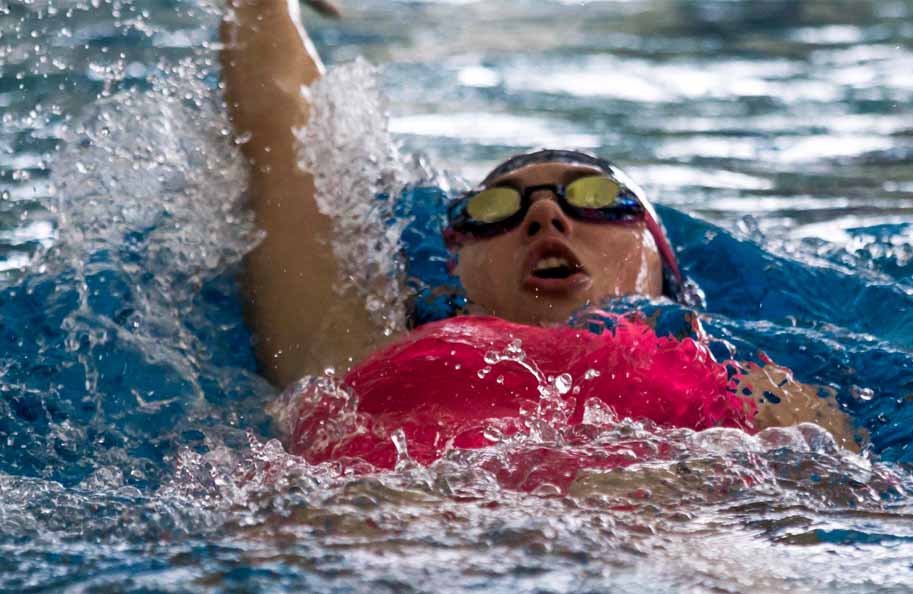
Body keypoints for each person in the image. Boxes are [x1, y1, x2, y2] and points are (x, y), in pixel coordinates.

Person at [218, 0, 859, 470]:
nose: (545, 217)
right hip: (384, 524)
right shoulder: (354, 351)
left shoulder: (749, 381)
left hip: (649, 529)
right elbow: (285, 153)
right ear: (456, 268)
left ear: (666, 267)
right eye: (496, 207)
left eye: (599, 200)